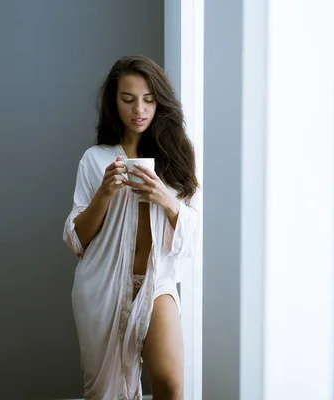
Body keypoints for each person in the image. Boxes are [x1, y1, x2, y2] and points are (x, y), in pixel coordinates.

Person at [63, 55, 200, 400]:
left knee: (170, 383)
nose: (139, 109)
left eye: (148, 99)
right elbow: (78, 238)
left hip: (157, 283)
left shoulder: (179, 157)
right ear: (115, 103)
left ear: (159, 102)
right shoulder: (96, 159)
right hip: (102, 287)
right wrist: (106, 191)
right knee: (106, 393)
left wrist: (165, 199)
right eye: (128, 99)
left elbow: (193, 228)